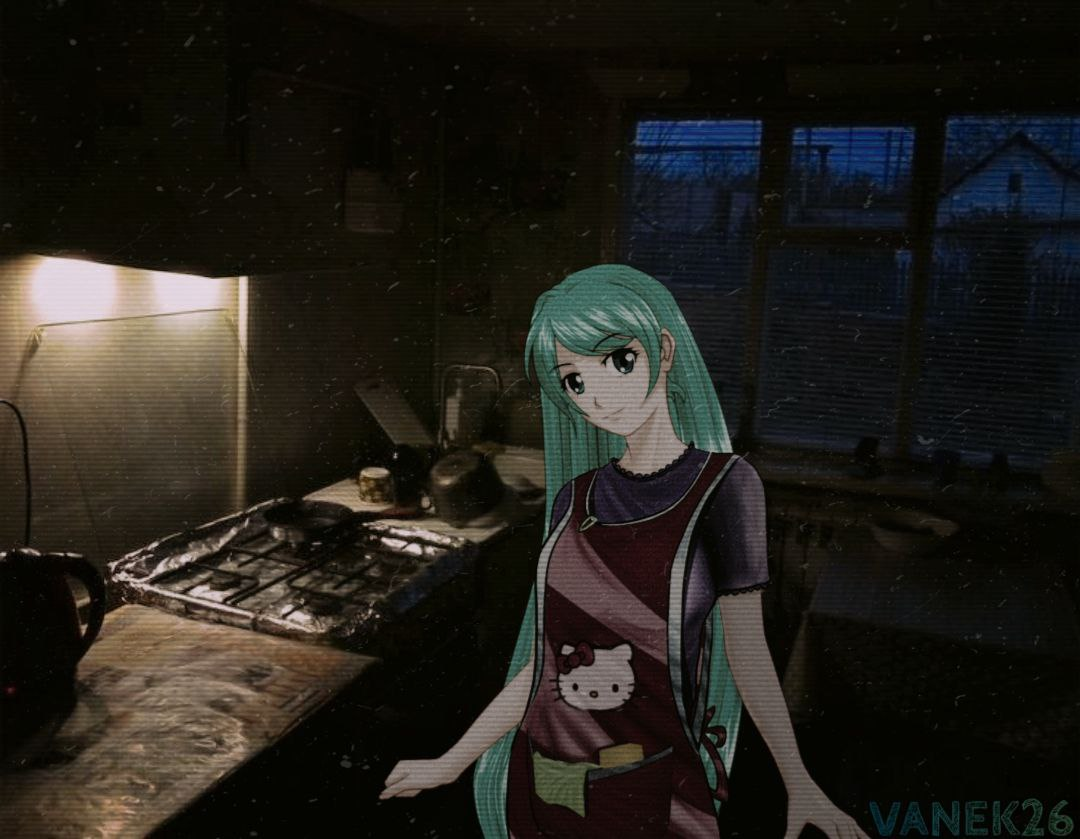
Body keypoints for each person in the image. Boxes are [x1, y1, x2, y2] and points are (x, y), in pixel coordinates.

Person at [382, 264, 869, 839]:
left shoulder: (725, 488)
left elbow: (747, 649)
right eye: (574, 380)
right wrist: (452, 761)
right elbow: (544, 665)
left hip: (656, 783)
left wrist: (799, 780)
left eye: (618, 361)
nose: (598, 397)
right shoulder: (574, 498)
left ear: (665, 351)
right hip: (544, 779)